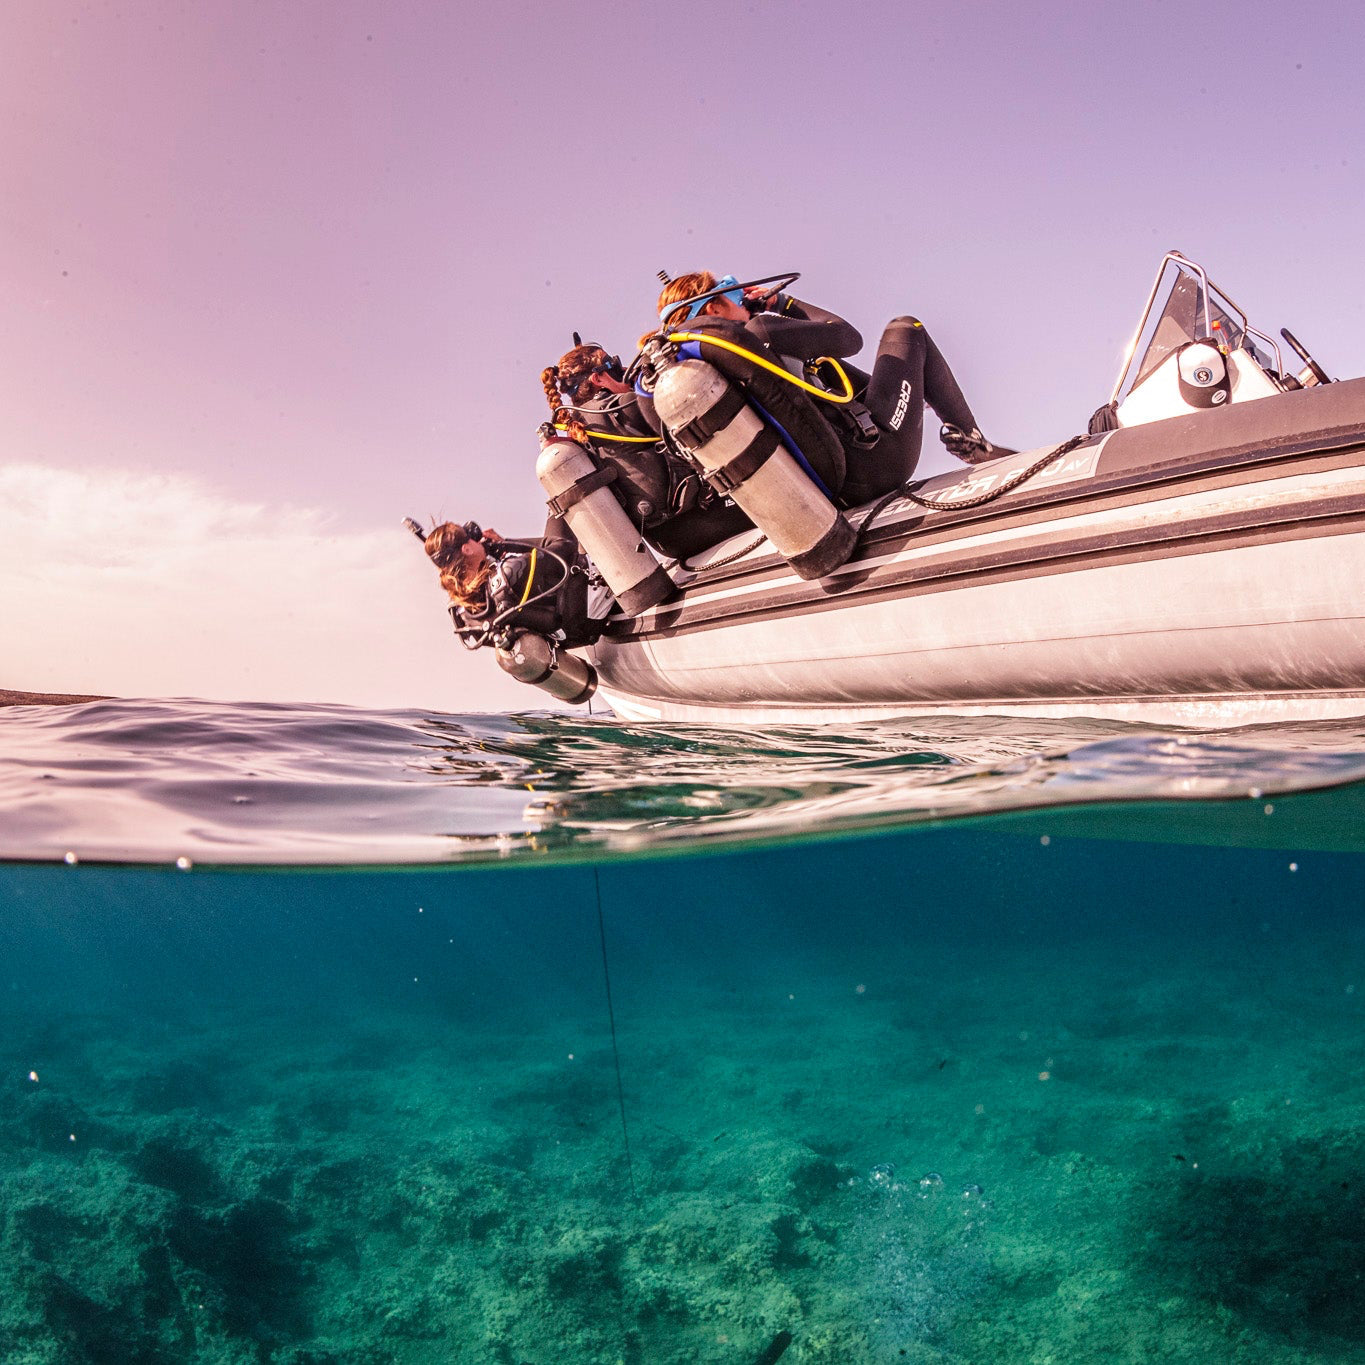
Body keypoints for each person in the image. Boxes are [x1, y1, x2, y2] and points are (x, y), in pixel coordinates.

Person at [654, 272, 1014, 506]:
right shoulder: (759, 333)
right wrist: (782, 304)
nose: (740, 299)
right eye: (729, 291)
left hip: (830, 491)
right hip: (877, 462)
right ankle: (972, 441)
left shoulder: (703, 367)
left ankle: (923, 403)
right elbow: (847, 335)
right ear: (714, 306)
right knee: (907, 328)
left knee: (825, 365)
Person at [542, 340, 753, 559]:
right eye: (612, 365)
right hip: (700, 520)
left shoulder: (577, 427)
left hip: (664, 541)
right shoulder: (623, 407)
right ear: (598, 379)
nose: (623, 370)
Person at [422, 518, 604, 647]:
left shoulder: (467, 615)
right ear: (467, 549)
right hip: (588, 603)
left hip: (569, 637)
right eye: (469, 536)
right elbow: (562, 545)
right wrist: (505, 544)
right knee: (558, 503)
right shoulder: (510, 574)